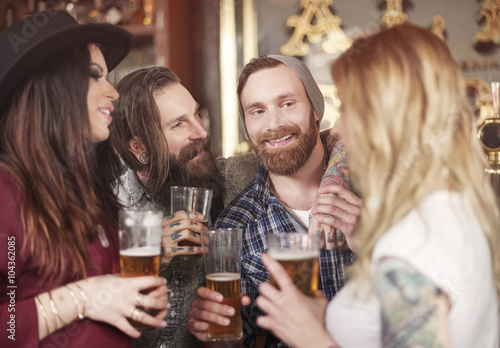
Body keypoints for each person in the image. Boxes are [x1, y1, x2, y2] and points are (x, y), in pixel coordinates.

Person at [254, 24, 500, 348]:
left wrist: (313, 338)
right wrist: (327, 318)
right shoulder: (449, 207)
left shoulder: (415, 243)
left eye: (347, 110)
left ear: (386, 117)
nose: (338, 130)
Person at [0, 10, 169, 347]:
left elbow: (105, 304)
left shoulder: (88, 191)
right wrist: (83, 297)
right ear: (51, 84)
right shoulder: (7, 192)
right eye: (95, 75)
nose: (114, 92)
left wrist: (130, 297)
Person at [187, 55, 362, 347]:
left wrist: (371, 243)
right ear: (246, 127)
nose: (274, 124)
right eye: (257, 111)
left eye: (287, 103)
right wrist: (218, 340)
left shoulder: (378, 189)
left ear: (315, 110)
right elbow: (238, 337)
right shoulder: (235, 225)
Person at [109, 66, 260, 347]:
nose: (201, 132)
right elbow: (86, 315)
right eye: (179, 124)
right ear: (139, 147)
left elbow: (318, 143)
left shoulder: (234, 177)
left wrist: (334, 177)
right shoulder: (106, 206)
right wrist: (150, 256)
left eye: (197, 114)